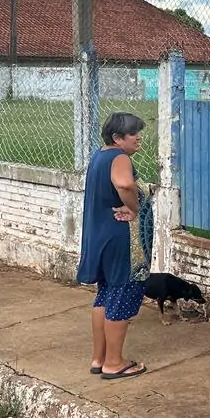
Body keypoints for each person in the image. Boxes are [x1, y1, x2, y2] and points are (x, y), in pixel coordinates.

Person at [78, 111, 151, 380]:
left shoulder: (100, 156)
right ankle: (114, 362)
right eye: (133, 133)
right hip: (121, 238)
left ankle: (99, 358)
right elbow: (124, 184)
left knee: (105, 294)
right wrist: (133, 208)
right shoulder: (119, 158)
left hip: (102, 235)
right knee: (124, 291)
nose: (139, 138)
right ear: (118, 137)